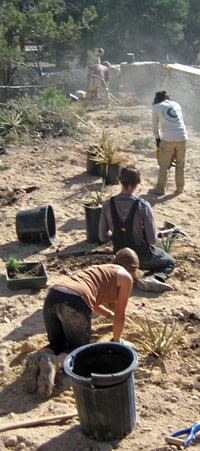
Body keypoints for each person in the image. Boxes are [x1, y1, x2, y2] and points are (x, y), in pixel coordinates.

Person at [23, 247, 139, 397]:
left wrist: (108, 315)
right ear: (133, 268)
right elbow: (120, 316)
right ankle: (56, 363)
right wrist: (116, 341)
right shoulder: (126, 277)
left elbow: (93, 302)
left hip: (53, 296)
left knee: (57, 344)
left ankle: (38, 358)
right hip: (74, 302)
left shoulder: (99, 270)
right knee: (77, 348)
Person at [99, 164, 176, 280]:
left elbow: (102, 237)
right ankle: (152, 278)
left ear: (120, 180)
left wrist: (116, 233)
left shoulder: (107, 204)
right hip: (141, 258)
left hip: (120, 257)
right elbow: (152, 240)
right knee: (170, 262)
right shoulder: (143, 206)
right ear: (137, 183)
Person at [151, 90, 188, 196]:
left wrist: (158, 139)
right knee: (180, 164)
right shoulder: (176, 104)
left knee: (163, 165)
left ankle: (160, 188)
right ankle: (180, 188)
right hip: (182, 137)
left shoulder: (156, 107)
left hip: (168, 139)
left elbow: (154, 127)